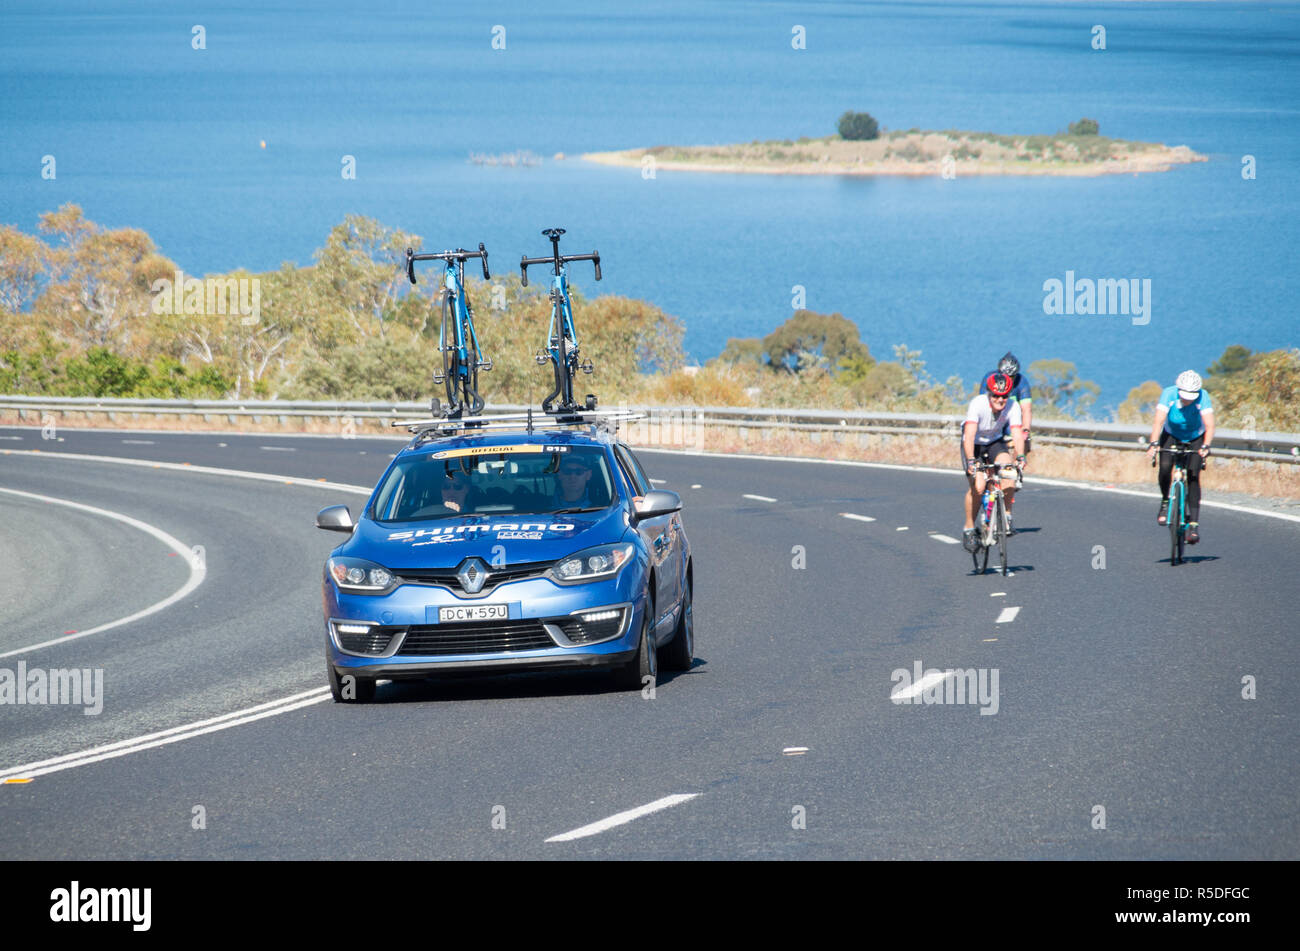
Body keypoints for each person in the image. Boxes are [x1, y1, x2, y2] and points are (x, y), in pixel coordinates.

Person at [961, 372, 1027, 552]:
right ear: (989, 394)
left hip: (994, 443)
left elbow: (1016, 433)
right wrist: (971, 461)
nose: (1000, 399)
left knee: (1009, 471)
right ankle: (968, 529)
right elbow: (969, 436)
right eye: (996, 395)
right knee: (979, 487)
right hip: (973, 445)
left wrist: (1020, 456)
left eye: (1004, 396)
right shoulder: (978, 404)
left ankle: (1006, 517)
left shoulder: (1013, 407)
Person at [1145, 370, 1213, 544]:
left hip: (1195, 437)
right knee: (1166, 466)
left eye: (1191, 396)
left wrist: (1205, 445)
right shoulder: (1169, 393)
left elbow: (1209, 425)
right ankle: (1166, 501)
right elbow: (1158, 421)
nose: (1187, 399)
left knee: (1193, 475)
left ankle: (1194, 525)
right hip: (1171, 434)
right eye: (1185, 395)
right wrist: (1153, 443)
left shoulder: (1203, 397)